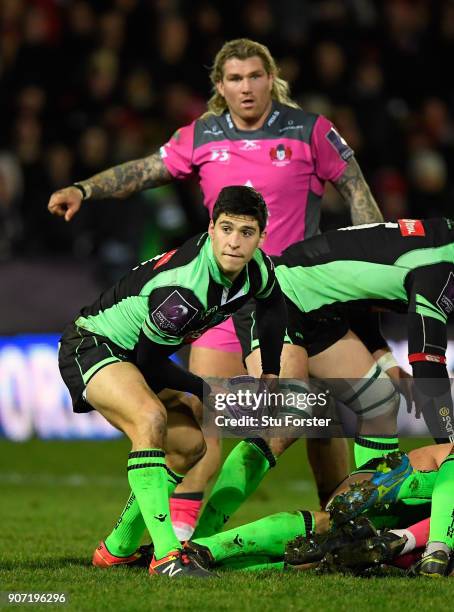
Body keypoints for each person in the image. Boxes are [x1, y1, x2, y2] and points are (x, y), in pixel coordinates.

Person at [48, 37, 384, 537]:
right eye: (234, 79)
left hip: (293, 299)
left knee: (330, 413)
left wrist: (371, 266)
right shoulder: (202, 135)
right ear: (220, 87)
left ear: (271, 79)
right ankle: (186, 538)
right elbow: (145, 171)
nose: (245, 88)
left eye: (254, 77)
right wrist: (85, 188)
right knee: (210, 427)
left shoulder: (311, 131)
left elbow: (357, 193)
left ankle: (333, 529)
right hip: (220, 304)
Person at [57, 185, 286, 577]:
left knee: (190, 444)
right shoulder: (183, 290)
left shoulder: (257, 268)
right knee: (150, 420)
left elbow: (273, 304)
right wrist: (210, 391)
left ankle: (117, 550)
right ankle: (167, 557)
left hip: (134, 355)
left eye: (246, 232)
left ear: (261, 237)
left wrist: (269, 371)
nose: (234, 242)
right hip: (94, 346)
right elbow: (149, 364)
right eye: (226, 229)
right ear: (211, 228)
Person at [192, 216, 454, 539]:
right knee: (288, 414)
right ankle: (199, 540)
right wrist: (451, 450)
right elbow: (428, 366)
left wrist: (386, 362)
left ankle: (362, 522)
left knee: (379, 400)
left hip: (317, 305)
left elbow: (360, 287)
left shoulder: (437, 241)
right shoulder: (441, 266)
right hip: (279, 295)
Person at [187, 443, 454, 577]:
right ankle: (204, 547)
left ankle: (213, 561)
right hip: (392, 477)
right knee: (334, 524)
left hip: (408, 522)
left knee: (323, 555)